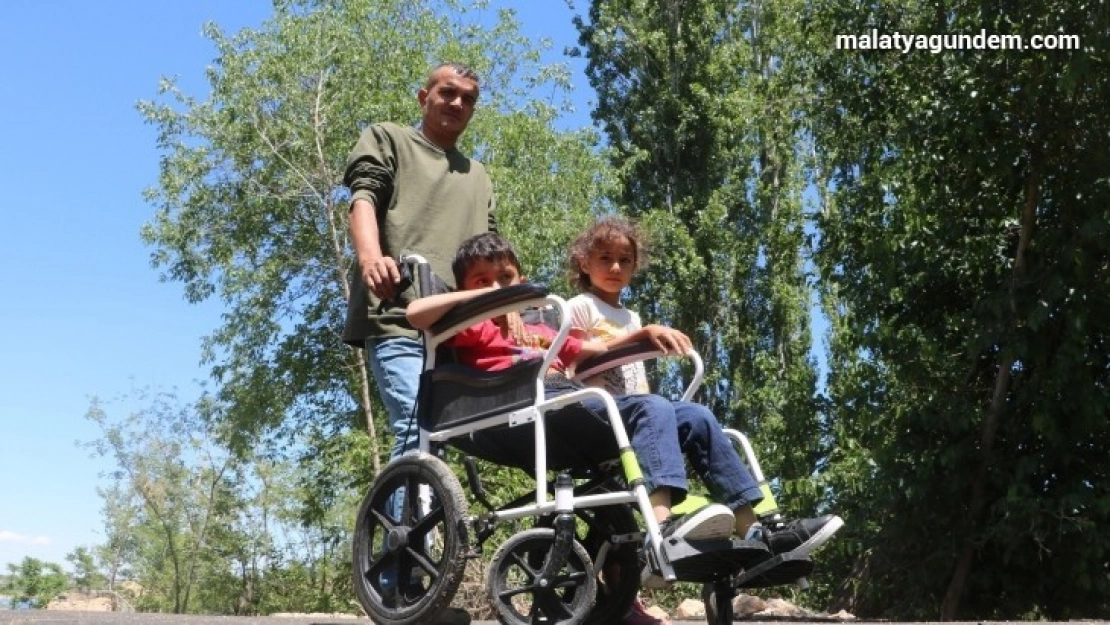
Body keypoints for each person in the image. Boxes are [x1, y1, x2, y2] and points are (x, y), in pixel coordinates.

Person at [407, 233, 842, 560]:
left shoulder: (543, 328)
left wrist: (643, 334)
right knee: (650, 407)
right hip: (520, 409)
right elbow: (415, 313)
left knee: (694, 414)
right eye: (483, 280)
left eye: (506, 279)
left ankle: (756, 531)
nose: (497, 287)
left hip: (569, 406)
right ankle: (664, 530)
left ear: (521, 280)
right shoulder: (471, 325)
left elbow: (595, 350)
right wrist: (487, 300)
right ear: (467, 288)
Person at [342, 61, 494, 625]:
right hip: (400, 316)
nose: (456, 104)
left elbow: (489, 253)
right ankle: (404, 589)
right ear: (424, 95)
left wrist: (510, 312)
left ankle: (406, 583)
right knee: (418, 434)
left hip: (460, 332)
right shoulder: (389, 139)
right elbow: (362, 198)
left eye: (468, 98)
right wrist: (370, 258)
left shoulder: (478, 175)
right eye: (447, 93)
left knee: (449, 445)